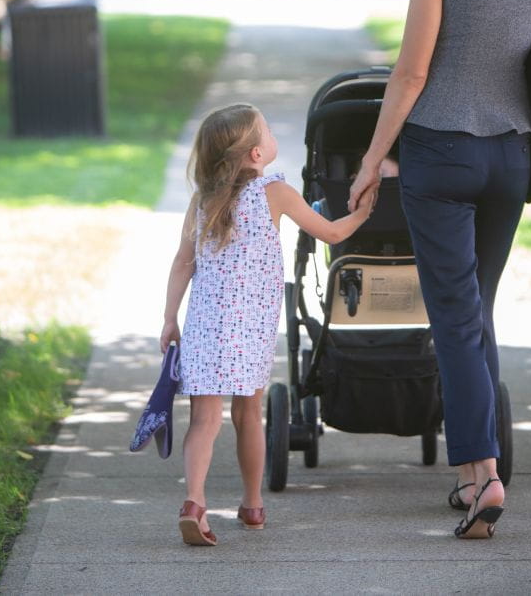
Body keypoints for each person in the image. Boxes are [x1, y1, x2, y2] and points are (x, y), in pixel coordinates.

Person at [348, 0, 531, 540]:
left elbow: (409, 72)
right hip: (511, 157)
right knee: (476, 316)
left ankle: (482, 471)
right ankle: (476, 475)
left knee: (456, 322)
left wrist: (373, 157)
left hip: (441, 155)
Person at [161, 103, 375, 546]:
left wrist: (168, 319)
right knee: (248, 415)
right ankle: (253, 504)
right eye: (268, 132)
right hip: (249, 330)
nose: (273, 136)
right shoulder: (274, 192)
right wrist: (365, 211)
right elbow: (332, 234)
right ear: (256, 154)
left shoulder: (203, 200)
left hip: (204, 325)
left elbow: (183, 263)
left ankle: (195, 502)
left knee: (203, 419)